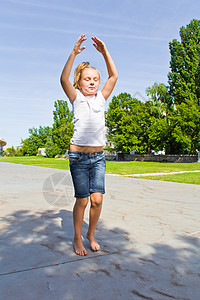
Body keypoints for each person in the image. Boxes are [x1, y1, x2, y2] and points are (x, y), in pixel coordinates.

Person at [60, 34, 118, 256]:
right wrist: (74, 54)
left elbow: (114, 76)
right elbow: (63, 79)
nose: (92, 82)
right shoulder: (76, 98)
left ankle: (91, 234)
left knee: (98, 199)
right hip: (79, 158)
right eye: (87, 79)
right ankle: (77, 237)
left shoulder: (101, 99)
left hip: (99, 158)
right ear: (79, 82)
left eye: (95, 79)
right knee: (82, 200)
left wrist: (105, 53)